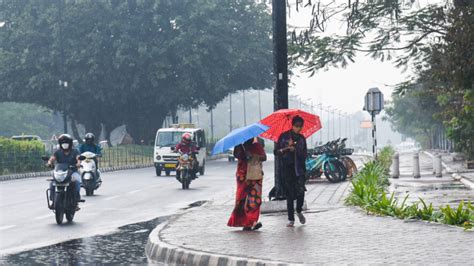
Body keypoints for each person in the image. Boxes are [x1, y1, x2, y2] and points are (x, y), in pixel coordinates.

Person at [274, 116, 308, 227]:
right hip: (287, 169)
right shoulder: (283, 137)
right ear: (292, 125)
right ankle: (291, 219)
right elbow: (276, 152)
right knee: (289, 194)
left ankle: (298, 210)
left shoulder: (302, 139)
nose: (298, 129)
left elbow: (304, 155)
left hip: (299, 170)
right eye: (296, 126)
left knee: (300, 192)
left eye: (300, 126)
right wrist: (286, 149)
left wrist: (296, 150)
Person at [228, 137, 267, 231]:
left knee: (254, 199)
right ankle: (244, 221)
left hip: (255, 175)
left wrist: (254, 155)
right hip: (242, 176)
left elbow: (264, 157)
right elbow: (237, 155)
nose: (248, 140)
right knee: (241, 199)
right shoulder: (239, 147)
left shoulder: (257, 146)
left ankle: (252, 221)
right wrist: (244, 153)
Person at [47, 134, 82, 210]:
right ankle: (53, 201)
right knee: (52, 184)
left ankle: (75, 201)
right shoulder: (58, 152)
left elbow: (78, 158)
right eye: (63, 142)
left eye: (66, 142)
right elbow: (52, 158)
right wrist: (49, 162)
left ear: (70, 143)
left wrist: (79, 163)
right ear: (60, 144)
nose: (65, 144)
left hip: (72, 172)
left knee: (77, 181)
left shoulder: (75, 151)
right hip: (60, 173)